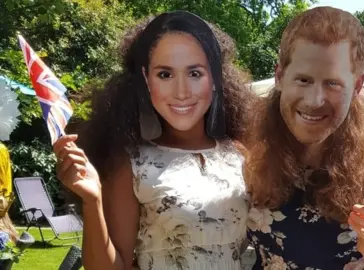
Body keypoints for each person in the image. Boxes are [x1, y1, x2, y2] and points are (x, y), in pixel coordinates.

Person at [53, 11, 257, 270]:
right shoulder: (131, 163)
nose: (182, 92)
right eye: (165, 74)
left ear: (215, 79)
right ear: (145, 81)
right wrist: (92, 201)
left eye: (194, 73)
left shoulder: (240, 153)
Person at [244, 6, 364, 270]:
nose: (315, 100)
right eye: (303, 80)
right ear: (280, 76)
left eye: (333, 83)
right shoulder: (251, 159)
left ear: (357, 86)